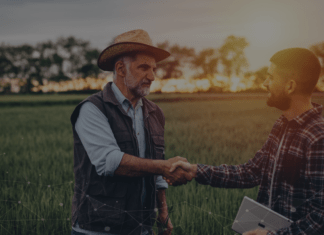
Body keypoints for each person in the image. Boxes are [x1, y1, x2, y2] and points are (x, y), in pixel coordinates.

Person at [166, 48, 324, 235]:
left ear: (290, 86)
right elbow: (252, 171)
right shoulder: (282, 125)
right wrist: (195, 170)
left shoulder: (318, 137)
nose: (265, 83)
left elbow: (320, 216)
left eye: (271, 77)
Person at [70, 29, 191, 235]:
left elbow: (156, 167)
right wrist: (164, 166)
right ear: (121, 68)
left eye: (154, 69)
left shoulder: (155, 112)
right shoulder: (93, 109)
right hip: (98, 228)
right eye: (144, 67)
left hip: (141, 226)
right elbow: (110, 162)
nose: (152, 76)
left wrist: (162, 210)